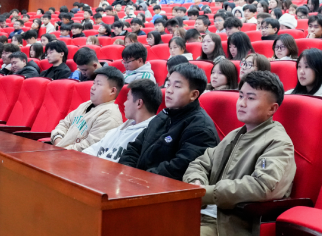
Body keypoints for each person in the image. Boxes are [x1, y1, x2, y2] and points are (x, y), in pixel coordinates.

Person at [184, 71, 295, 236]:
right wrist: (196, 183)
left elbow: (262, 187)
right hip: (200, 213)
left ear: (272, 109)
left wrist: (207, 193)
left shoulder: (278, 143)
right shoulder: (236, 134)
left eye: (251, 98)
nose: (242, 103)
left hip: (230, 225)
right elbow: (200, 163)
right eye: (241, 96)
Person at [119, 63, 219, 180]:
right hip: (137, 181)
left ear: (193, 95)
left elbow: (178, 169)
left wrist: (138, 178)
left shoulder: (201, 128)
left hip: (162, 187)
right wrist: (127, 173)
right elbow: (134, 148)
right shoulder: (164, 115)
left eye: (177, 86)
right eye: (168, 84)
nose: (169, 90)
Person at [83, 79, 161, 162]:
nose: (124, 103)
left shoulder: (149, 136)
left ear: (139, 103)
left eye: (128, 99)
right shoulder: (122, 128)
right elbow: (91, 150)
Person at [51, 66, 124, 151]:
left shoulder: (110, 116)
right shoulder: (86, 104)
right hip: (60, 151)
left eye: (98, 84)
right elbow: (64, 124)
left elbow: (89, 148)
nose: (93, 87)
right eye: (94, 83)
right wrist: (57, 139)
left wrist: (61, 149)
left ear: (112, 91)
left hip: (74, 157)